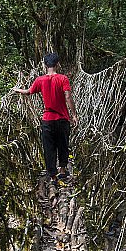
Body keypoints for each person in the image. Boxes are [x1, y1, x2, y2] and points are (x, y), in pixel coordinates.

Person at [12, 53, 78, 183]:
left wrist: (17, 89)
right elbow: (68, 97)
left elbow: (28, 92)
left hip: (47, 120)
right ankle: (63, 171)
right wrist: (74, 115)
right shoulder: (63, 78)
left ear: (45, 65)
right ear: (57, 64)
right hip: (63, 119)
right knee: (63, 145)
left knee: (49, 148)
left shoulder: (39, 80)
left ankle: (52, 176)